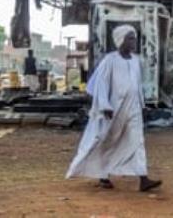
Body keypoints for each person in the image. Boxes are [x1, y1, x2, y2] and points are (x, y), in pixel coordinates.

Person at [66, 25, 161, 192]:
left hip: (133, 108)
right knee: (107, 139)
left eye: (134, 38)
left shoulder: (136, 60)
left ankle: (143, 178)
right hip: (114, 109)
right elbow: (100, 84)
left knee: (137, 141)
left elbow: (137, 86)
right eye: (130, 38)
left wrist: (142, 104)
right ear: (120, 40)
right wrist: (104, 105)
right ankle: (103, 175)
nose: (134, 41)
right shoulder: (110, 60)